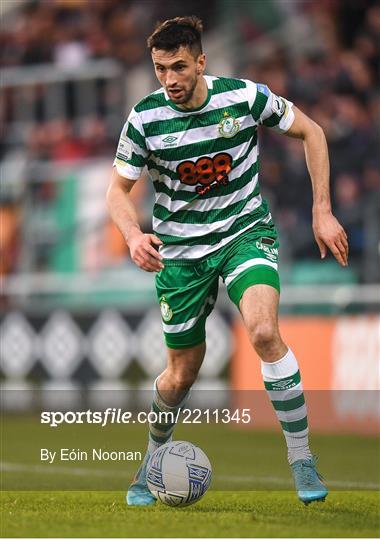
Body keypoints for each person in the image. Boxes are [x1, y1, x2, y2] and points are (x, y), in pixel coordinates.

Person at [106, 16, 349, 507]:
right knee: (181, 376)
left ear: (201, 61)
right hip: (181, 253)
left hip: (245, 233)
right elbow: (118, 189)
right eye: (159, 69)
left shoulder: (244, 97)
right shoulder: (146, 118)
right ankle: (150, 462)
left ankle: (301, 458)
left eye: (178, 66)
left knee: (263, 332)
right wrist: (133, 234)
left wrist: (321, 209)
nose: (169, 79)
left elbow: (313, 132)